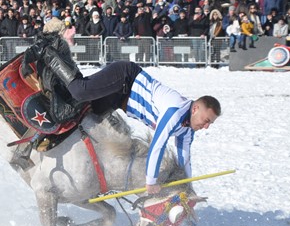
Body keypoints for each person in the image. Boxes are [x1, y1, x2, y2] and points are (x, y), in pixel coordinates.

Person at [30, 46, 221, 193]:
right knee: (81, 91)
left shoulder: (187, 129)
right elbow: (158, 144)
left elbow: (184, 158)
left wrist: (188, 187)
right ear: (195, 108)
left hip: (120, 100)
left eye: (209, 123)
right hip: (125, 78)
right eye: (206, 120)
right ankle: (47, 52)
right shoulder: (175, 112)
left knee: (84, 115)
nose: (205, 126)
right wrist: (151, 181)